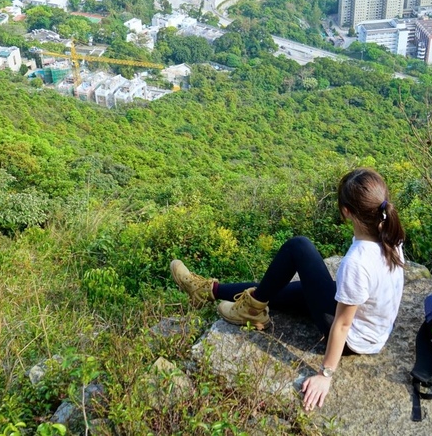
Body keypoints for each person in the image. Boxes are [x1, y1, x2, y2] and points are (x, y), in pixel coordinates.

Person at [170, 167, 405, 411]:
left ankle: (248, 308)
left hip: (354, 337)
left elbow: (343, 324)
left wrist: (326, 375)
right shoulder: (391, 235)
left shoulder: (357, 261)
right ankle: (208, 290)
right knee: (277, 291)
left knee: (298, 247)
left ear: (346, 212)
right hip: (370, 324)